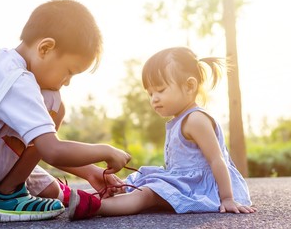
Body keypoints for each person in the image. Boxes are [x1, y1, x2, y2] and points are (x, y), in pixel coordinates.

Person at [0, 0, 130, 222]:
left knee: (49, 191)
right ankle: (6, 195)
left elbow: (40, 144)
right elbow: (51, 149)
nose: (67, 82)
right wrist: (105, 151)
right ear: (45, 48)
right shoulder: (16, 81)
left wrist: (89, 171)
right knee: (54, 103)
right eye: (69, 72)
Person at [68, 47, 257, 220]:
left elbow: (217, 160)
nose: (154, 99)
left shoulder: (196, 120)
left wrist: (227, 198)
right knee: (134, 181)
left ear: (190, 86)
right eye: (150, 93)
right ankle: (88, 197)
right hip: (183, 181)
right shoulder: (179, 120)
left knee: (147, 194)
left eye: (160, 90)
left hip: (201, 188)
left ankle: (94, 206)